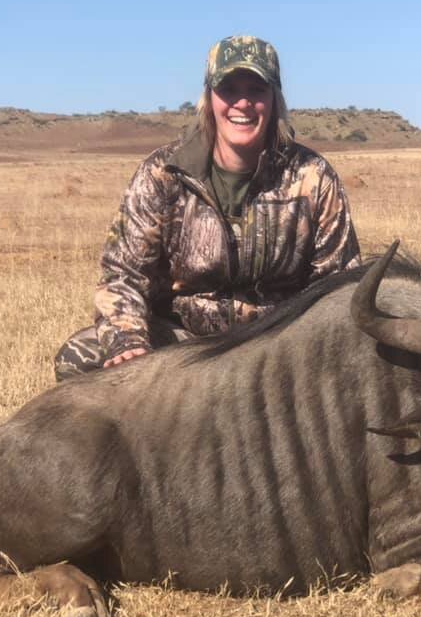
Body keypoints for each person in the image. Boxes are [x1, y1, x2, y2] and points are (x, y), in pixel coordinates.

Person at [54, 35, 361, 380]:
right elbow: (122, 275)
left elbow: (340, 285)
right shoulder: (163, 174)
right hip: (184, 346)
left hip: (277, 347)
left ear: (275, 100)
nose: (242, 103)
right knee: (83, 359)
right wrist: (128, 342)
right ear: (209, 98)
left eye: (256, 90)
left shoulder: (313, 177)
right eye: (229, 89)